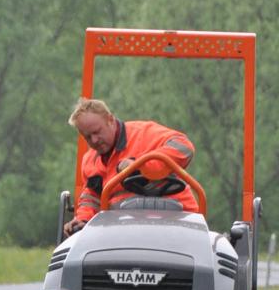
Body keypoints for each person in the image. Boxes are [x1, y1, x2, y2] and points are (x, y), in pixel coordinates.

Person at [64, 98, 198, 235]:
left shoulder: (143, 134)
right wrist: (83, 220)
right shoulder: (89, 161)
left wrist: (141, 164)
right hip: (123, 229)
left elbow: (184, 147)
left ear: (110, 120)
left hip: (177, 221)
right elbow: (91, 198)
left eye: (97, 132)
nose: (94, 140)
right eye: (87, 137)